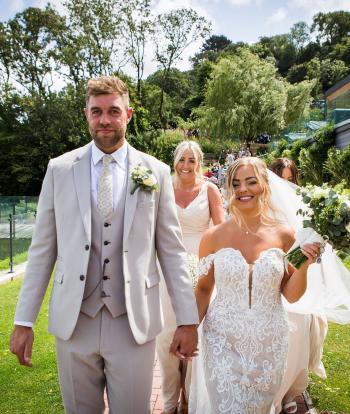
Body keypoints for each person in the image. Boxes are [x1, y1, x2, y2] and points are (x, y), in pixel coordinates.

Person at [10, 75, 199, 414]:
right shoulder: (60, 169)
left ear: (128, 114)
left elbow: (172, 251)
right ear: (86, 114)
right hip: (74, 321)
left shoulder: (154, 172)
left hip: (132, 321)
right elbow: (41, 251)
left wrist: (187, 319)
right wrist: (24, 322)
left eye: (113, 111)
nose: (104, 120)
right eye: (96, 112)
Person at [189, 157, 321, 414]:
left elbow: (291, 295)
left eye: (251, 182)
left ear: (265, 186)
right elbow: (203, 289)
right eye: (236, 184)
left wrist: (304, 265)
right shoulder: (212, 237)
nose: (242, 190)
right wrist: (189, 327)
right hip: (221, 341)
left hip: (269, 344)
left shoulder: (285, 235)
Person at [157, 140, 225, 414]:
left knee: (197, 333)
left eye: (191, 160)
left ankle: (192, 400)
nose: (186, 166)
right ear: (175, 162)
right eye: (181, 160)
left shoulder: (210, 189)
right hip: (166, 268)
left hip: (202, 268)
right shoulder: (163, 188)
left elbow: (221, 229)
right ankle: (170, 401)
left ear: (199, 164)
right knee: (165, 336)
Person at [269, 157, 326, 414]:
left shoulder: (304, 206)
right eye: (280, 178)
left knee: (299, 327)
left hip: (297, 272)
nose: (286, 184)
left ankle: (290, 390)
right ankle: (273, 391)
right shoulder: (265, 207)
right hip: (270, 273)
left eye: (290, 179)